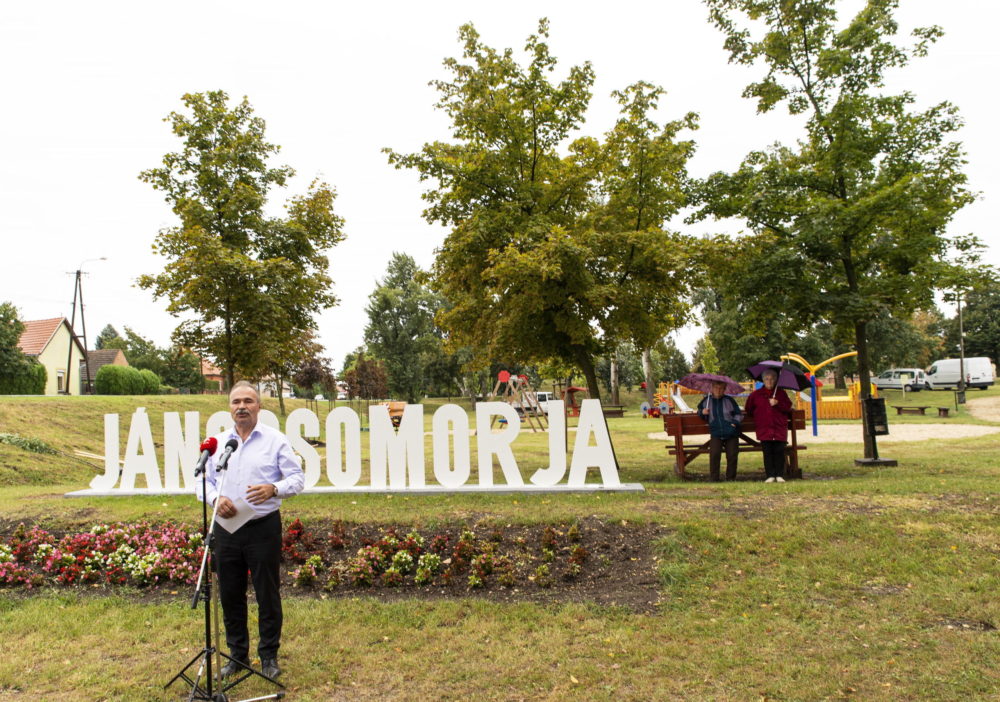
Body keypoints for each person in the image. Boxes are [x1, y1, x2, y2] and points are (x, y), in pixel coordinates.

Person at [198, 381, 304, 680]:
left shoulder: (275, 440)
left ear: (259, 406)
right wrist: (215, 499)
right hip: (227, 529)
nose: (242, 406)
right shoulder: (216, 443)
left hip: (262, 528)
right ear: (229, 407)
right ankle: (237, 656)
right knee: (230, 595)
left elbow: (296, 479)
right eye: (236, 402)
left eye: (248, 401)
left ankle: (269, 657)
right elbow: (201, 481)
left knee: (267, 594)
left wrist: (274, 488)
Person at [744, 368, 792, 483]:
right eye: (767, 379)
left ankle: (779, 474)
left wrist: (778, 403)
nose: (769, 381)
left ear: (776, 380)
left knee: (779, 451)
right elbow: (749, 409)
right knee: (767, 452)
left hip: (779, 428)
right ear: (763, 380)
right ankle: (770, 475)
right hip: (764, 428)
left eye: (772, 379)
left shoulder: (781, 393)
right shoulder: (756, 395)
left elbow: (788, 407)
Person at [696, 380, 744, 481]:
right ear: (712, 388)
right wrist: (702, 412)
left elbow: (739, 414)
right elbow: (699, 411)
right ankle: (714, 479)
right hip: (716, 432)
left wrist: (734, 423)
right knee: (714, 454)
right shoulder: (706, 401)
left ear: (724, 389)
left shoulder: (729, 400)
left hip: (731, 432)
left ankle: (730, 478)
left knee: (732, 455)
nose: (718, 390)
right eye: (716, 388)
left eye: (721, 388)